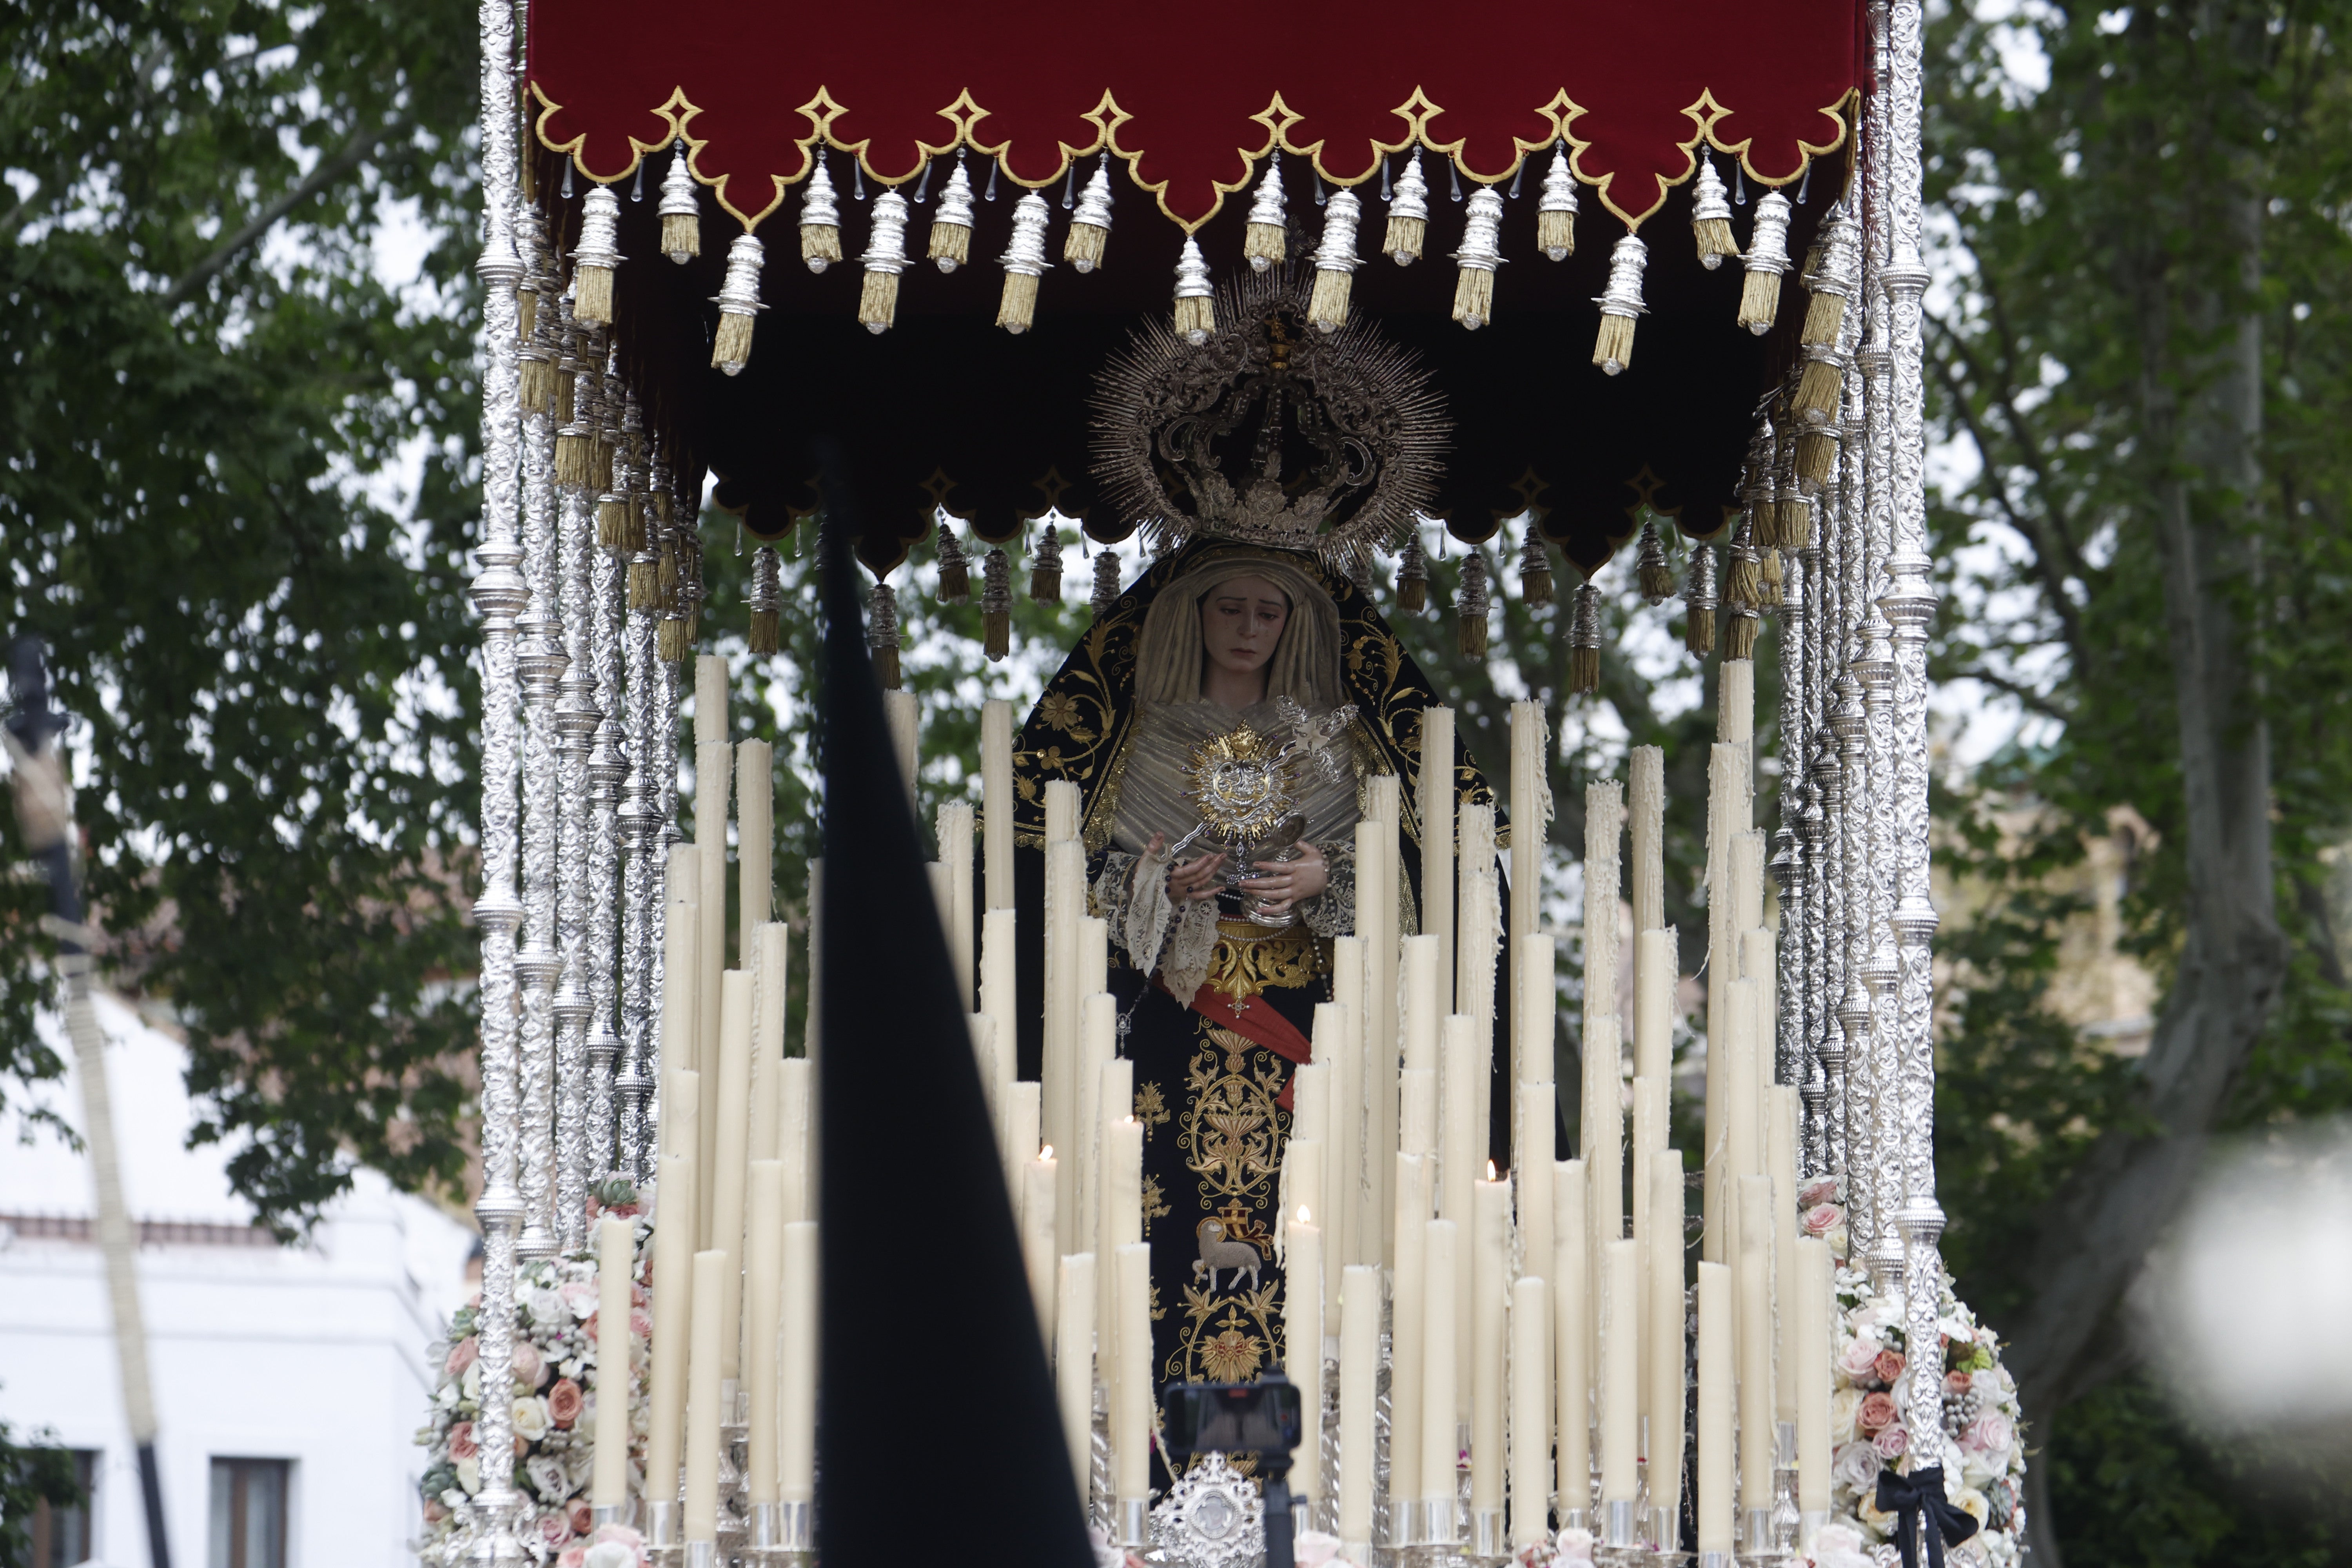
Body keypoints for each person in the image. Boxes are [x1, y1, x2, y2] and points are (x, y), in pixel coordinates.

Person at [1010, 537, 1500, 1411]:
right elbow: (1055, 873)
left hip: (1303, 1023)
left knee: (1305, 1220)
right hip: (1169, 1023)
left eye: (1268, 611)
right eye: (1230, 607)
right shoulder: (1137, 733)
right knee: (1156, 1217)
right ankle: (1146, 1425)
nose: (1248, 628)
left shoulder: (1339, 743)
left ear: (1296, 622)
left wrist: (1330, 879)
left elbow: (1416, 869)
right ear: (1193, 613)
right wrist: (1158, 883)